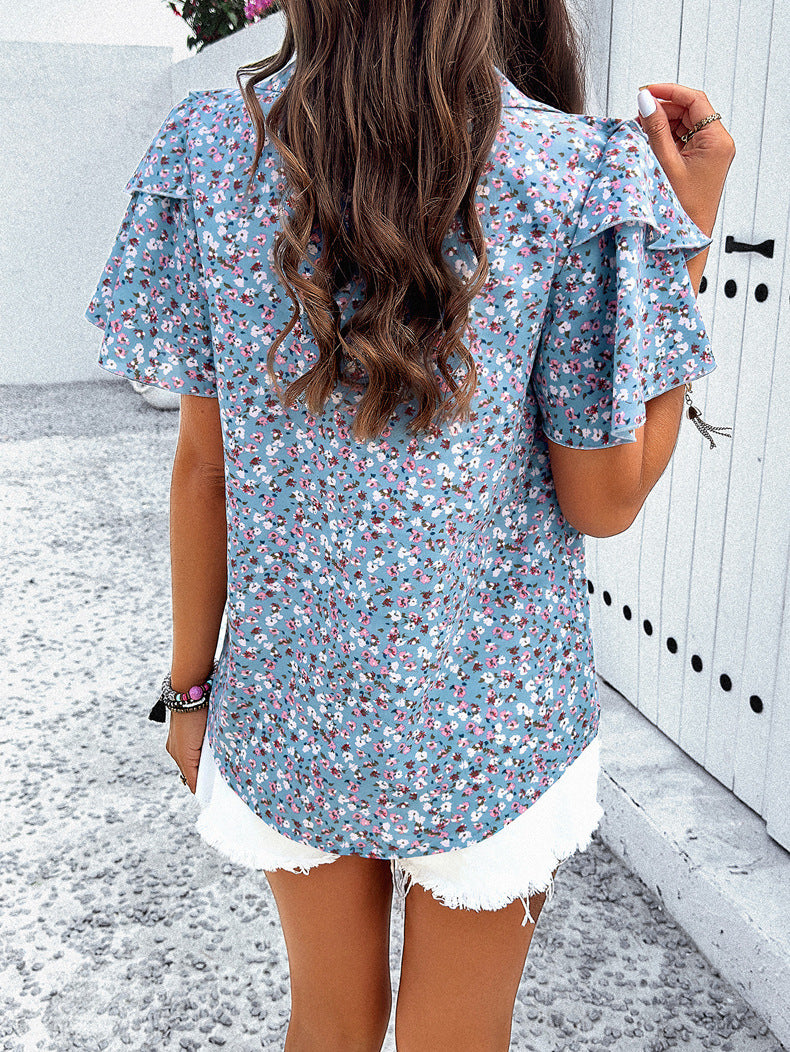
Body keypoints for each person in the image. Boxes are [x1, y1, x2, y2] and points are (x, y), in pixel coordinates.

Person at [84, 1, 735, 1048]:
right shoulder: (575, 172)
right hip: (498, 725)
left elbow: (205, 467)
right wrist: (680, 244)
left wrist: (190, 690)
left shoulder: (211, 151)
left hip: (294, 712)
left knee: (328, 1023)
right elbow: (603, 500)